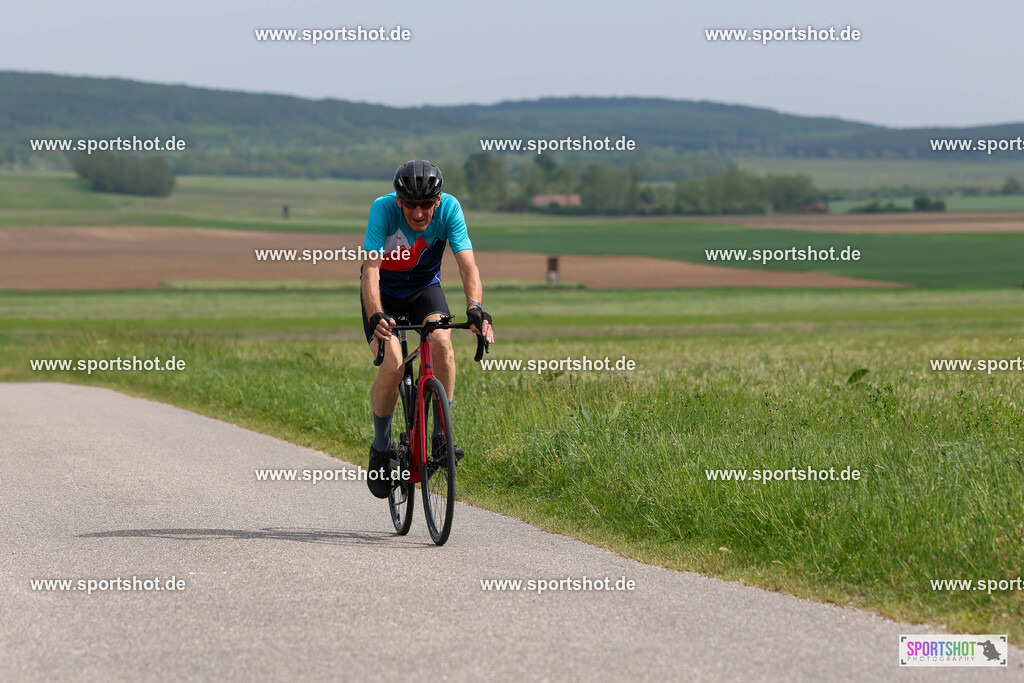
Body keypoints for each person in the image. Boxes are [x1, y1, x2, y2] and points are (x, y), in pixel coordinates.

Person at [360, 160, 494, 498]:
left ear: (437, 201)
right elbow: (371, 269)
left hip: (423, 290)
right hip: (383, 295)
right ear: (399, 200)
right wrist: (376, 314)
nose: (418, 213)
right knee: (392, 367)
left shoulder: (450, 209)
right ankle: (380, 448)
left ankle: (440, 435)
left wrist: (475, 308)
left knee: (441, 342)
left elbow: (467, 263)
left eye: (426, 205)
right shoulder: (383, 209)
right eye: (410, 205)